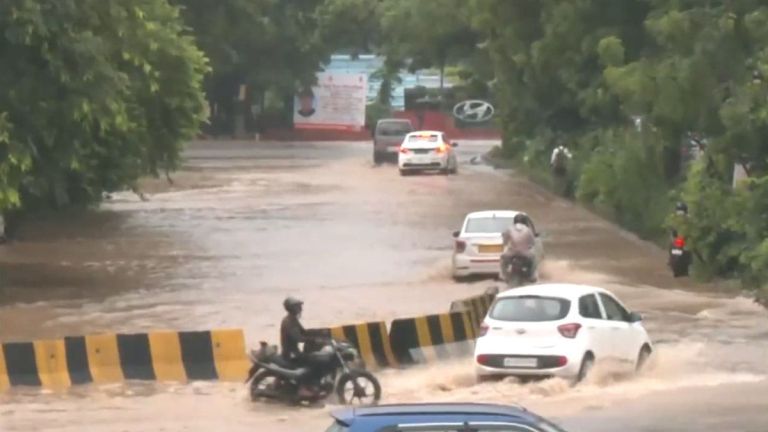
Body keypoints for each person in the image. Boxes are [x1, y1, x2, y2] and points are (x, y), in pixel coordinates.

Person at [280, 296, 314, 398]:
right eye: (298, 306)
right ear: (292, 308)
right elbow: (298, 338)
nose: (301, 308)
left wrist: (319, 334)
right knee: (310, 364)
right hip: (290, 353)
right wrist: (310, 339)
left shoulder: (293, 319)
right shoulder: (288, 322)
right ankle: (302, 389)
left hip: (293, 351)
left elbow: (304, 332)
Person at [501, 213, 538, 282]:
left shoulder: (509, 229)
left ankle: (503, 275)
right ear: (524, 222)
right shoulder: (528, 230)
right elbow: (532, 243)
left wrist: (507, 244)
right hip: (525, 253)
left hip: (512, 253)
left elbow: (505, 242)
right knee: (534, 259)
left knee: (503, 258)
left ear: (514, 221)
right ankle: (533, 275)